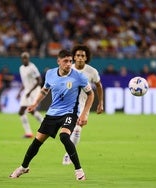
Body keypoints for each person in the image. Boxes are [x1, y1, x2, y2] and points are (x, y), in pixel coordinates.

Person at [9, 49, 94, 181]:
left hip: (70, 112)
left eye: (70, 61)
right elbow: (44, 90)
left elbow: (91, 94)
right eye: (65, 61)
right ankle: (23, 167)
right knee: (37, 142)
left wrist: (83, 114)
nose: (68, 64)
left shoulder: (78, 76)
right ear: (58, 61)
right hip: (53, 113)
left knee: (64, 136)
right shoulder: (50, 74)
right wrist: (35, 103)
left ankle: (79, 170)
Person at [62, 44, 104, 165]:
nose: (80, 57)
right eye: (78, 55)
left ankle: (68, 154)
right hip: (67, 103)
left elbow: (99, 86)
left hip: (83, 104)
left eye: (82, 56)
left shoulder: (92, 71)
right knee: (68, 131)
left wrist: (100, 103)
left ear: (86, 58)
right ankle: (69, 153)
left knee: (77, 130)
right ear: (74, 57)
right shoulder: (67, 69)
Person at [17, 52, 43, 138]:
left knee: (31, 110)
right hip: (27, 91)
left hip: (35, 90)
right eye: (23, 58)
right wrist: (19, 92)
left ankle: (45, 126)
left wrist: (30, 91)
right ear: (21, 59)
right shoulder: (21, 68)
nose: (25, 59)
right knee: (21, 112)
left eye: (26, 58)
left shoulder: (32, 68)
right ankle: (28, 133)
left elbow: (39, 81)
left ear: (29, 58)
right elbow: (25, 83)